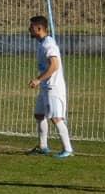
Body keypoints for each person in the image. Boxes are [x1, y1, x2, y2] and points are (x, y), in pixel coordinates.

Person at [28, 15, 73, 158]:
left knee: (56, 118)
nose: (29, 29)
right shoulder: (42, 43)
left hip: (53, 87)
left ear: (39, 28)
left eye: (32, 27)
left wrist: (38, 80)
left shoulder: (49, 44)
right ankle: (43, 146)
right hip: (45, 87)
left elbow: (54, 65)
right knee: (39, 115)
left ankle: (68, 149)